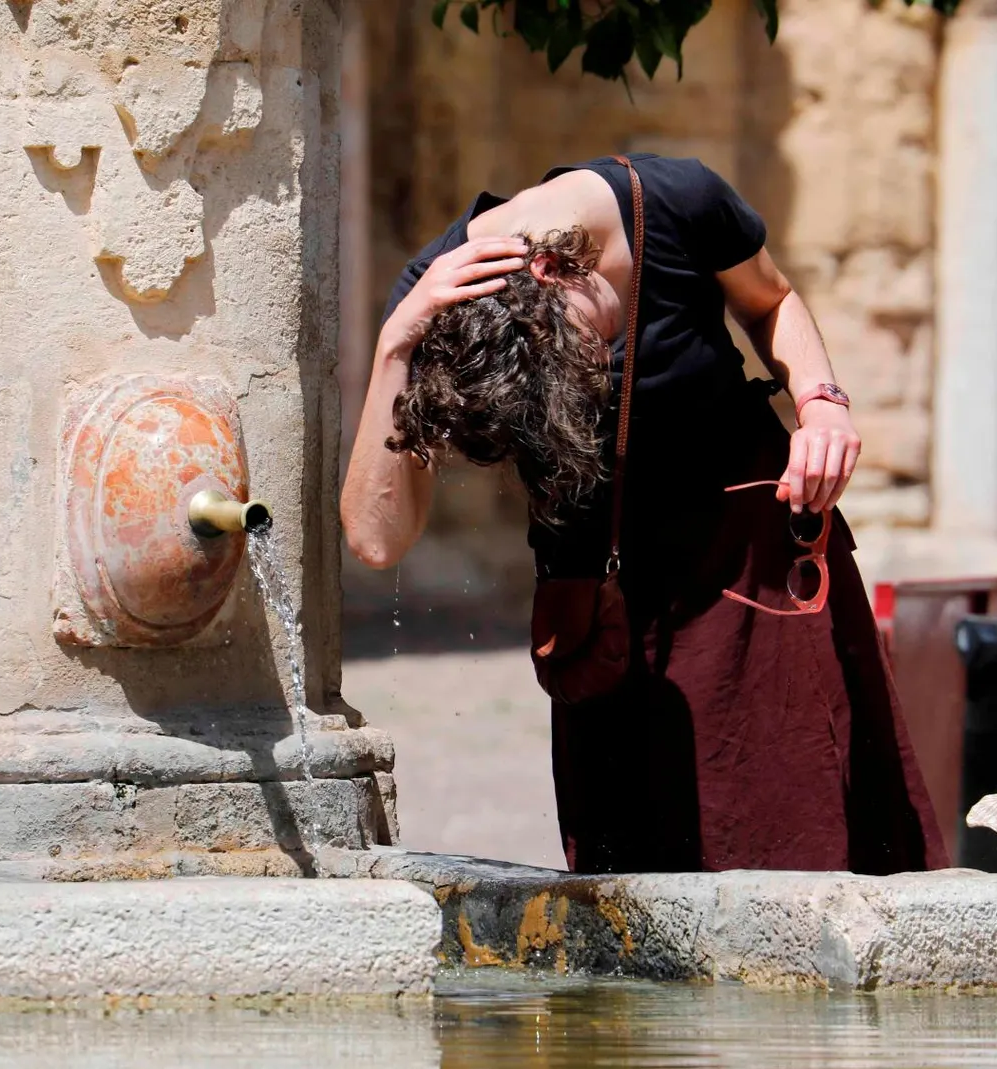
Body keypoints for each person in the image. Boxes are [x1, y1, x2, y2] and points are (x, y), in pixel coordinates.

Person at [340, 153, 947, 875]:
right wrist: (395, 345)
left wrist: (821, 404)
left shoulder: (679, 200)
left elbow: (771, 299)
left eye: (589, 361)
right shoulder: (441, 296)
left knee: (810, 844)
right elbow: (376, 540)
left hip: (752, 575)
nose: (595, 379)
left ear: (553, 270)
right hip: (603, 613)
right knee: (632, 888)